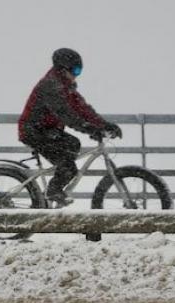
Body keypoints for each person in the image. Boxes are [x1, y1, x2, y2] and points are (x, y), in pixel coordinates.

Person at [18, 48, 122, 206]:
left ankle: (54, 191)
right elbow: (66, 114)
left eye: (79, 70)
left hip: (47, 130)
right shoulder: (51, 86)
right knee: (68, 167)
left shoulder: (65, 86)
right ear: (62, 68)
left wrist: (103, 125)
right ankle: (54, 190)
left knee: (73, 144)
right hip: (33, 131)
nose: (76, 74)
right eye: (75, 70)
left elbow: (83, 109)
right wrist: (90, 129)